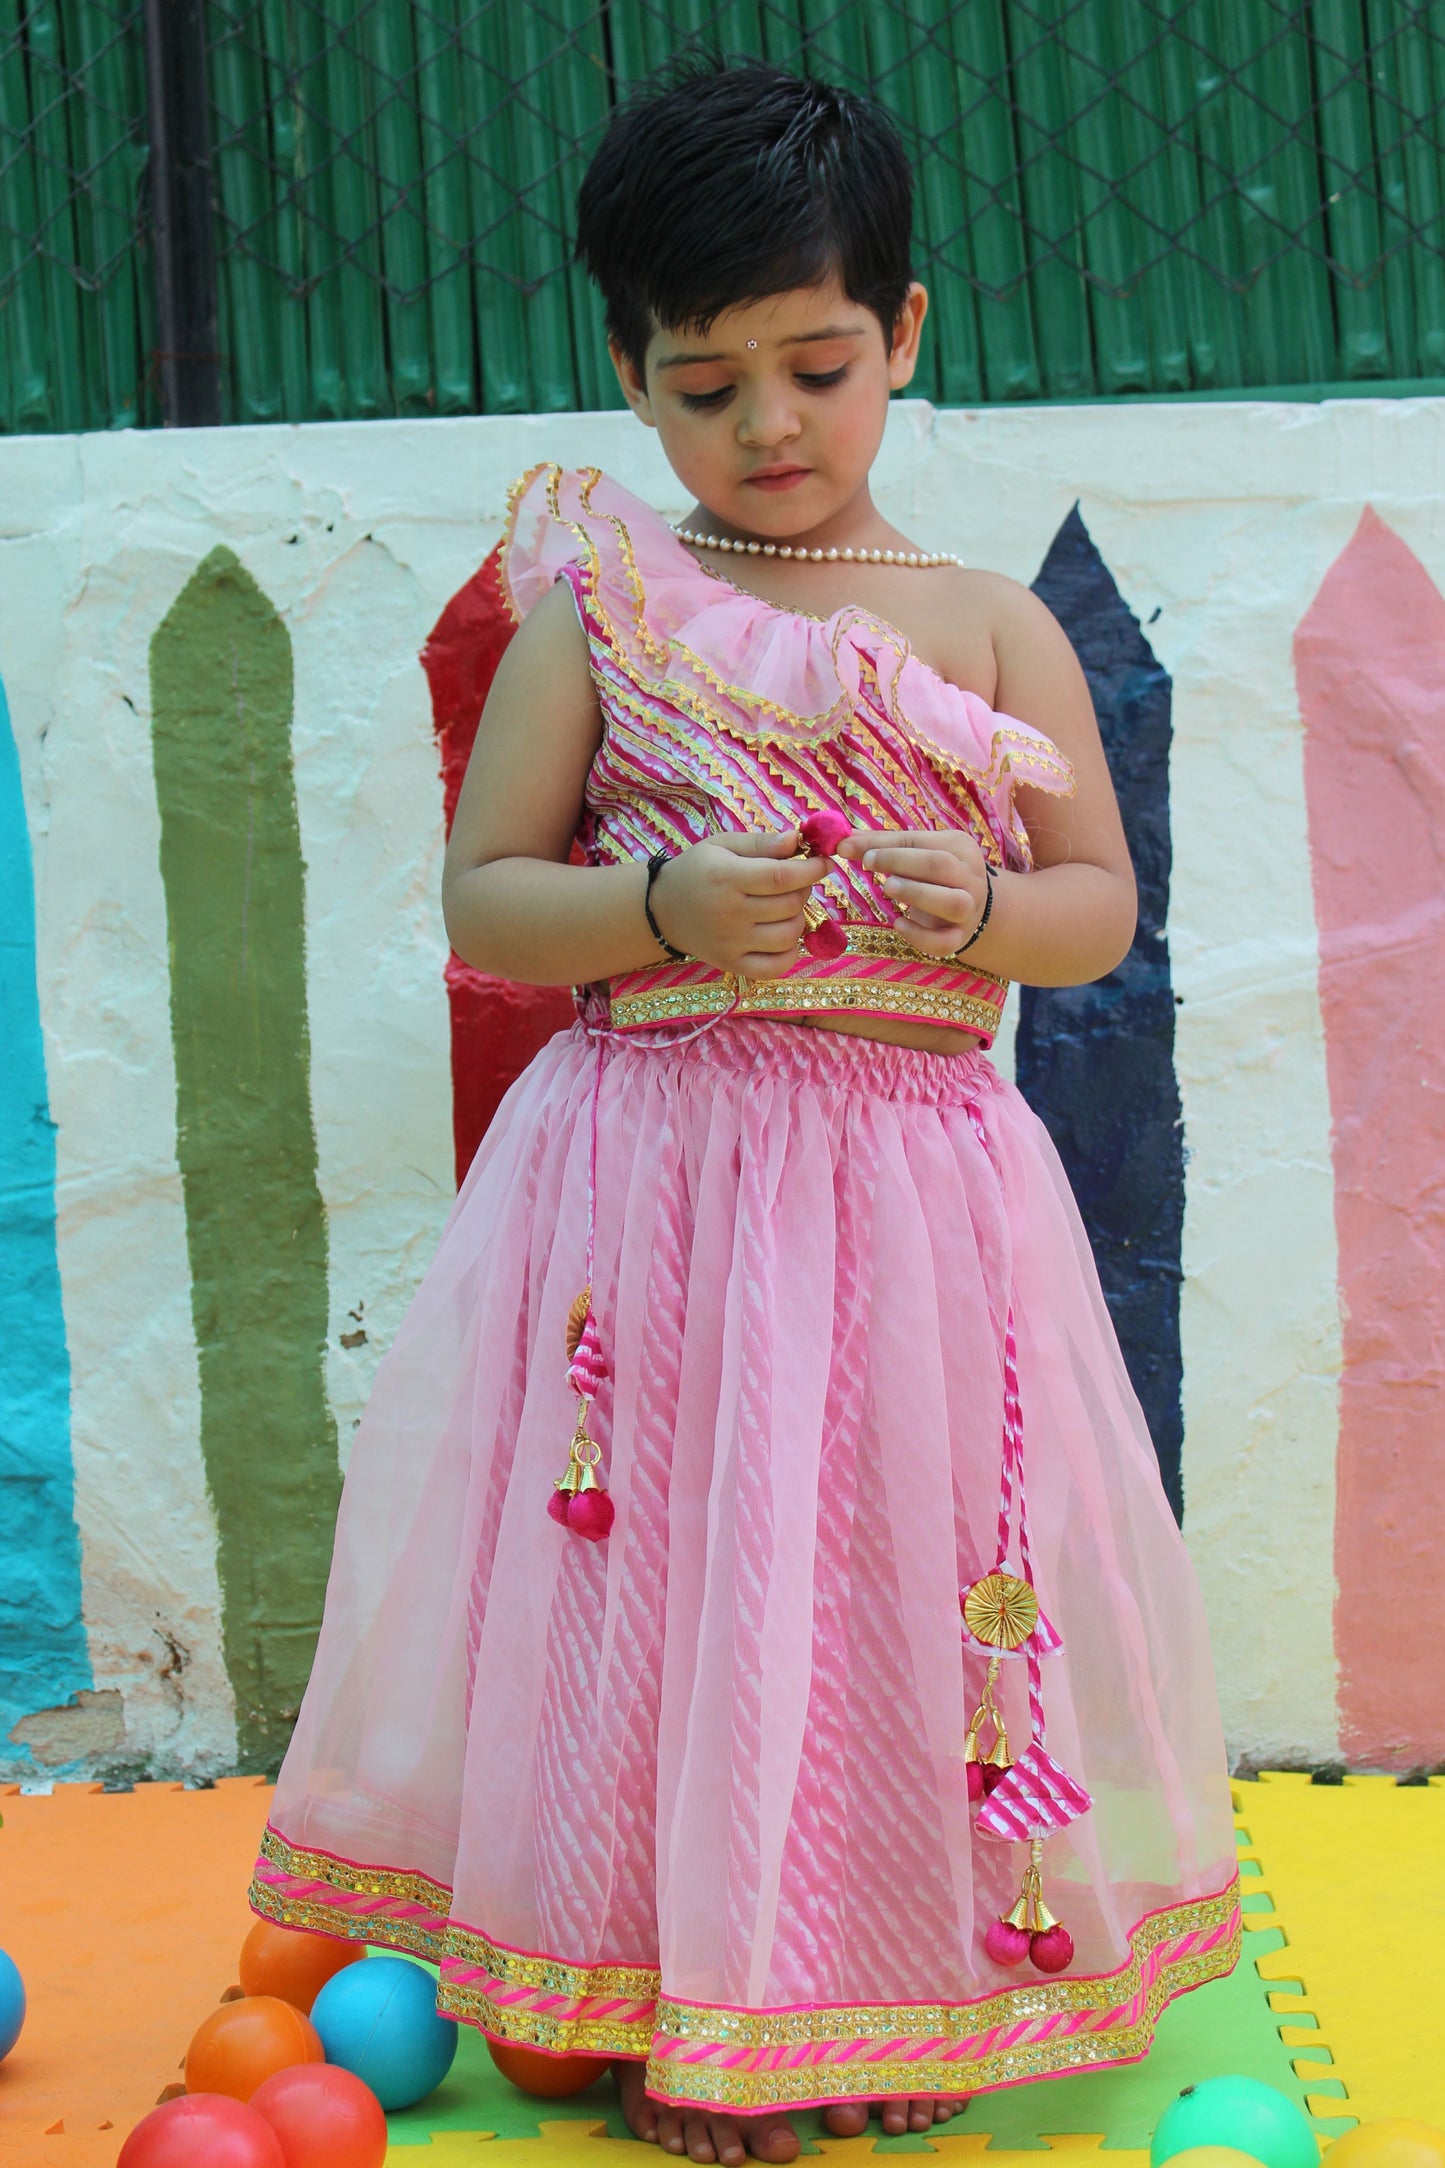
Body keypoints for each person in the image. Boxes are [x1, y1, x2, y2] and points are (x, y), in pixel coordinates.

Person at [250, 61, 1239, 2168]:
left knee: (880, 1584)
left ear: (907, 332)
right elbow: (489, 899)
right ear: (629, 372)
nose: (767, 429)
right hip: (656, 1197)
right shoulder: (601, 614)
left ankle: (880, 1979)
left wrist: (990, 898)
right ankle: (661, 1989)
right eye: (703, 388)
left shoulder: (984, 624)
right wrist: (661, 906)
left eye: (814, 366)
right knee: (670, 1591)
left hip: (903, 1205)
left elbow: (1096, 915)